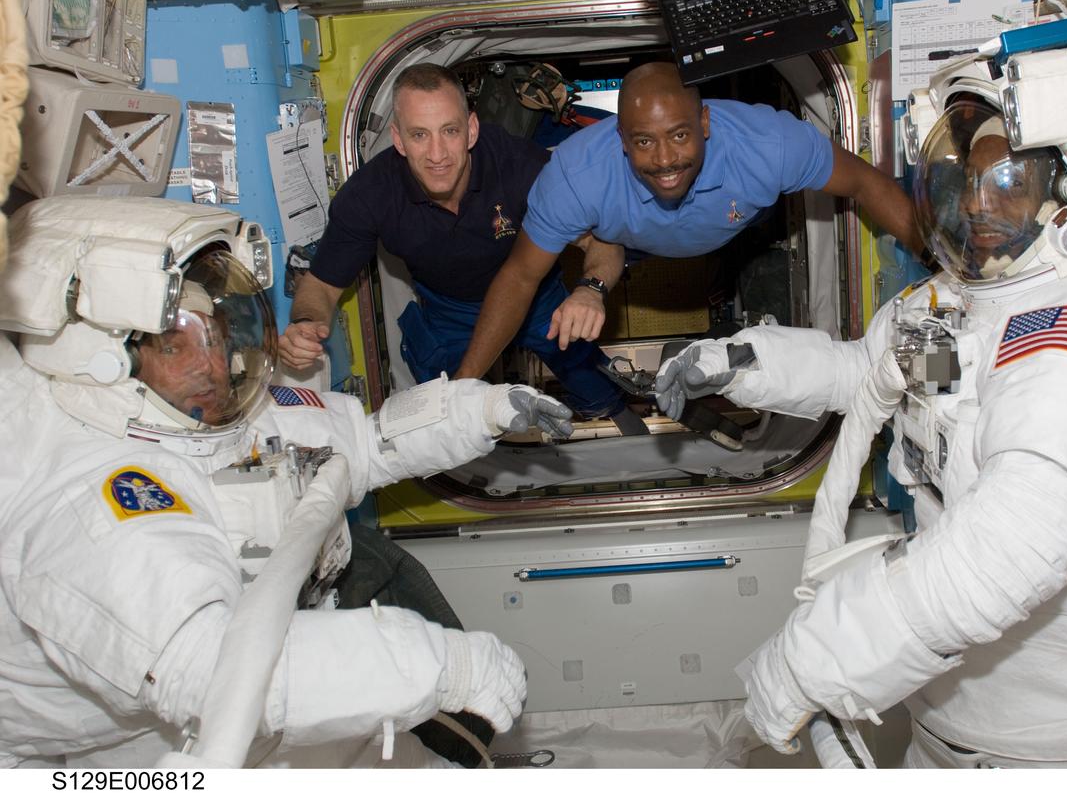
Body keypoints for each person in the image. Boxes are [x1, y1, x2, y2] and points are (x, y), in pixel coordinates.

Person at [652, 25, 1067, 767]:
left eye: (1007, 182)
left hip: (1058, 742)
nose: (978, 205)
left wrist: (809, 665)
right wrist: (736, 364)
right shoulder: (982, 304)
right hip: (957, 716)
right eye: (969, 180)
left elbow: (997, 558)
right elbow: (875, 377)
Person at [0, 196, 577, 768]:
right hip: (106, 752)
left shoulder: (207, 413)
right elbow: (215, 671)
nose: (214, 364)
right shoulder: (96, 498)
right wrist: (445, 668)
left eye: (217, 334)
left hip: (223, 706)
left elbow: (370, 444)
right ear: (105, 361)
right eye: (176, 347)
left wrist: (485, 410)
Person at [454, 61, 922, 381]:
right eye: (643, 142)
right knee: (598, 245)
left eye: (679, 135)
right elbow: (519, 276)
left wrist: (940, 261)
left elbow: (864, 183)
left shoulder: (768, 145)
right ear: (620, 139)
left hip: (737, 222)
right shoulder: (576, 179)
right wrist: (463, 386)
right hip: (623, 237)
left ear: (704, 122)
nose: (664, 160)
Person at [279, 62, 627, 425]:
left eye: (449, 131)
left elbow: (603, 242)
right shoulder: (370, 195)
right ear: (398, 139)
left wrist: (591, 290)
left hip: (539, 298)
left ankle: (612, 413)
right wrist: (306, 322)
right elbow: (320, 284)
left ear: (472, 130)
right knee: (441, 416)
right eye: (419, 135)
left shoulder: (522, 167)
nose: (437, 154)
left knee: (598, 388)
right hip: (450, 309)